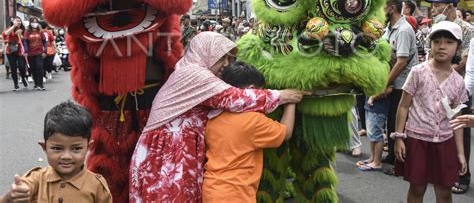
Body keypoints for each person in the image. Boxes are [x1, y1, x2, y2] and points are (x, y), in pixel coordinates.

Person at [129, 32, 307, 202]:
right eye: (222, 57)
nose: (226, 64)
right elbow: (236, 98)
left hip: (173, 151)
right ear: (206, 52)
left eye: (229, 58)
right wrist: (284, 96)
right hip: (165, 153)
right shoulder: (195, 74)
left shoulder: (189, 71)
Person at [393, 21, 468, 202]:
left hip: (445, 141)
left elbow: (456, 119)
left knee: (444, 191)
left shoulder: (458, 82)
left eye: (449, 42)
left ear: (458, 47)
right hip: (417, 138)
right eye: (437, 41)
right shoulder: (418, 72)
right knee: (417, 187)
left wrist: (460, 153)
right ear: (430, 44)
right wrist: (399, 137)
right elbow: (403, 105)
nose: (442, 46)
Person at [202, 61, 297, 202]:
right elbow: (286, 132)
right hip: (236, 194)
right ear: (252, 90)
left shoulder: (212, 116)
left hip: (211, 189)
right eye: (262, 91)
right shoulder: (253, 121)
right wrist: (291, 101)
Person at [0, 101, 112, 203]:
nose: (66, 156)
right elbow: (17, 193)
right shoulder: (35, 179)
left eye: (76, 148)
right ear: (44, 147)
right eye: (57, 148)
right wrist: (10, 196)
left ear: (88, 147)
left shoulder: (96, 185)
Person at [423, 0, 474, 193]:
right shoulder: (436, 27)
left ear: (450, 6)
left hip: (458, 87)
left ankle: (463, 176)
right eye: (433, 5)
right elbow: (429, 55)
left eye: (437, 4)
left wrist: (443, 74)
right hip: (433, 86)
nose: (434, 9)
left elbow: (464, 62)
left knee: (459, 128)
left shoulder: (467, 29)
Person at [381, 0, 419, 175]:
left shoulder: (404, 29)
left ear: (391, 9)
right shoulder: (390, 28)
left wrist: (385, 82)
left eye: (382, 6)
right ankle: (392, 157)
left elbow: (401, 61)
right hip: (394, 82)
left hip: (403, 83)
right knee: (391, 119)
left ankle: (401, 163)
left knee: (399, 122)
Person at [2, 16, 28, 91]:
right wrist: (14, 26)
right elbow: (5, 34)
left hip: (20, 50)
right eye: (16, 21)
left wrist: (20, 35)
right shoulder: (10, 28)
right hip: (10, 50)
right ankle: (16, 84)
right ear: (13, 22)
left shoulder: (23, 30)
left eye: (19, 21)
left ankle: (23, 78)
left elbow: (25, 39)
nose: (18, 22)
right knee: (13, 67)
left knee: (22, 66)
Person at [23, 17, 47, 90]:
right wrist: (26, 51)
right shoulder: (27, 32)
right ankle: (36, 84)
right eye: (33, 22)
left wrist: (44, 51)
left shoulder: (40, 31)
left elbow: (44, 41)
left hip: (39, 52)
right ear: (30, 23)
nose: (35, 23)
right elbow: (25, 42)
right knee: (33, 68)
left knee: (39, 67)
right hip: (30, 53)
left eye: (36, 22)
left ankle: (41, 84)